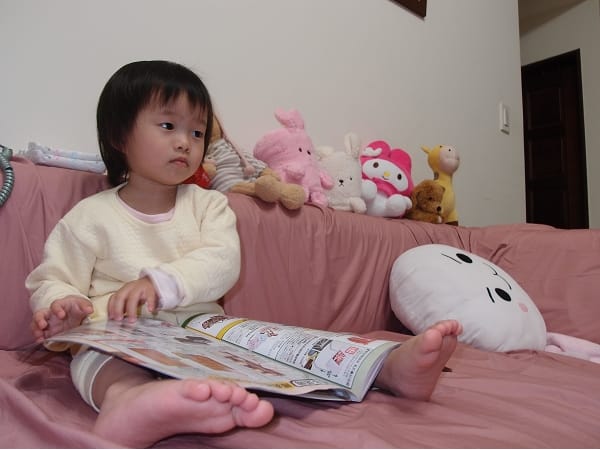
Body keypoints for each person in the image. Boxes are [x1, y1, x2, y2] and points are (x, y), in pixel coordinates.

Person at [26, 60, 462, 448]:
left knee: (278, 341)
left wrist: (161, 283)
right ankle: (131, 402)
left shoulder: (209, 205)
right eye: (168, 126)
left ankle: (385, 366)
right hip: (120, 330)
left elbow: (221, 262)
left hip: (202, 328)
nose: (185, 142)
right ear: (119, 135)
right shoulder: (89, 217)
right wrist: (63, 306)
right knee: (97, 359)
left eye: (197, 132)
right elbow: (53, 278)